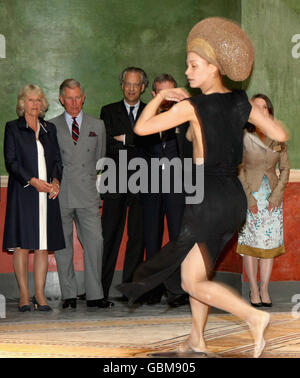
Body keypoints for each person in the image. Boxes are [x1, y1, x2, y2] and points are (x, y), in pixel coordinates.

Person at [117, 17, 289, 358]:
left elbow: (142, 128)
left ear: (214, 68)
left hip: (207, 197)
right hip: (234, 200)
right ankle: (197, 338)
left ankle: (253, 316)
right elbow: (281, 135)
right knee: (196, 272)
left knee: (190, 281)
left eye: (194, 66)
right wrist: (252, 114)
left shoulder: (192, 106)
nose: (189, 72)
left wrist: (164, 95)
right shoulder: (242, 102)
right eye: (187, 65)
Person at [50, 79, 113, 309]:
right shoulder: (50, 126)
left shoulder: (98, 125)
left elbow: (100, 159)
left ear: (83, 97)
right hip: (61, 193)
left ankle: (95, 294)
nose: (74, 103)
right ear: (61, 99)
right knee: (62, 244)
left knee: (95, 242)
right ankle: (69, 295)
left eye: (78, 97)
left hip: (87, 193)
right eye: (69, 98)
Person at [3, 84, 65, 312]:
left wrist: (56, 182)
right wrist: (32, 180)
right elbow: (11, 162)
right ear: (22, 103)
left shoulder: (50, 129)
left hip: (46, 195)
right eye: (30, 100)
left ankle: (40, 295)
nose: (35, 104)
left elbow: (57, 161)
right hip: (24, 193)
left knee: (42, 246)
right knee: (21, 246)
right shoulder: (12, 128)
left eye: (38, 100)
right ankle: (24, 295)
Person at [139, 73, 191, 306]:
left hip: (178, 186)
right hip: (149, 186)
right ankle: (152, 289)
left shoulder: (186, 118)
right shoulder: (145, 117)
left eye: (172, 93)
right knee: (151, 238)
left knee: (179, 238)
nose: (168, 99)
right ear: (154, 94)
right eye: (163, 93)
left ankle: (178, 291)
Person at [237, 94, 290, 308]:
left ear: (269, 111)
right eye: (255, 107)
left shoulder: (277, 136)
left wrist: (276, 197)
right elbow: (239, 168)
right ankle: (253, 290)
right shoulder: (242, 136)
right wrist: (249, 199)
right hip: (249, 195)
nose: (260, 111)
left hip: (272, 198)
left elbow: (285, 168)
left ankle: (264, 289)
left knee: (269, 244)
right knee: (250, 244)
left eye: (264, 107)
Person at [100, 67, 148, 301]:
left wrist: (126, 139)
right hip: (113, 180)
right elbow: (107, 145)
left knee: (137, 237)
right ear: (122, 85)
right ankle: (99, 289)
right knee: (108, 236)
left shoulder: (152, 111)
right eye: (127, 84)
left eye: (135, 84)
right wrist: (137, 141)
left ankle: (129, 290)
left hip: (143, 182)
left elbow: (151, 147)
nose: (131, 88)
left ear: (143, 87)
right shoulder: (108, 111)